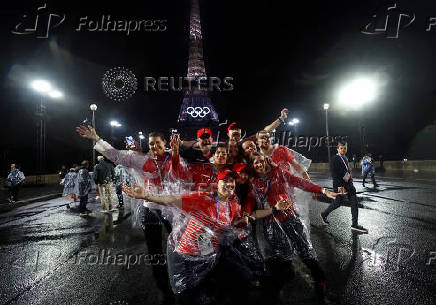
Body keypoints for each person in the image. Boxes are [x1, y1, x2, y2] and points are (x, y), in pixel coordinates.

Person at [122, 169, 251, 304]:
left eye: (231, 181)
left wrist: (243, 221)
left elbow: (234, 227)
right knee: (185, 296)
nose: (229, 184)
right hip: (185, 256)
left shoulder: (234, 207)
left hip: (207, 256)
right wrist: (146, 195)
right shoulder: (203, 198)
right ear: (216, 184)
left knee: (205, 294)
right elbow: (172, 200)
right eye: (225, 180)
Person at [243, 152, 338, 303]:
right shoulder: (254, 182)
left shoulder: (278, 173)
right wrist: (246, 214)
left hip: (290, 219)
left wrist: (322, 190)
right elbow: (249, 199)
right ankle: (280, 290)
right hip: (272, 225)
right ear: (252, 166)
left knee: (307, 252)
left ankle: (321, 284)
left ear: (266, 161)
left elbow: (299, 181)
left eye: (261, 161)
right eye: (256, 163)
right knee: (281, 258)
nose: (259, 165)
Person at [320, 141, 369, 233]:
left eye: (345, 148)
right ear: (338, 149)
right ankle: (324, 214)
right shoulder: (335, 159)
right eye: (341, 148)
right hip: (340, 185)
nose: (343, 150)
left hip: (349, 185)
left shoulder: (345, 158)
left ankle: (355, 224)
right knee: (338, 202)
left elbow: (347, 172)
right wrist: (340, 187)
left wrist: (350, 180)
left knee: (354, 202)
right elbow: (334, 174)